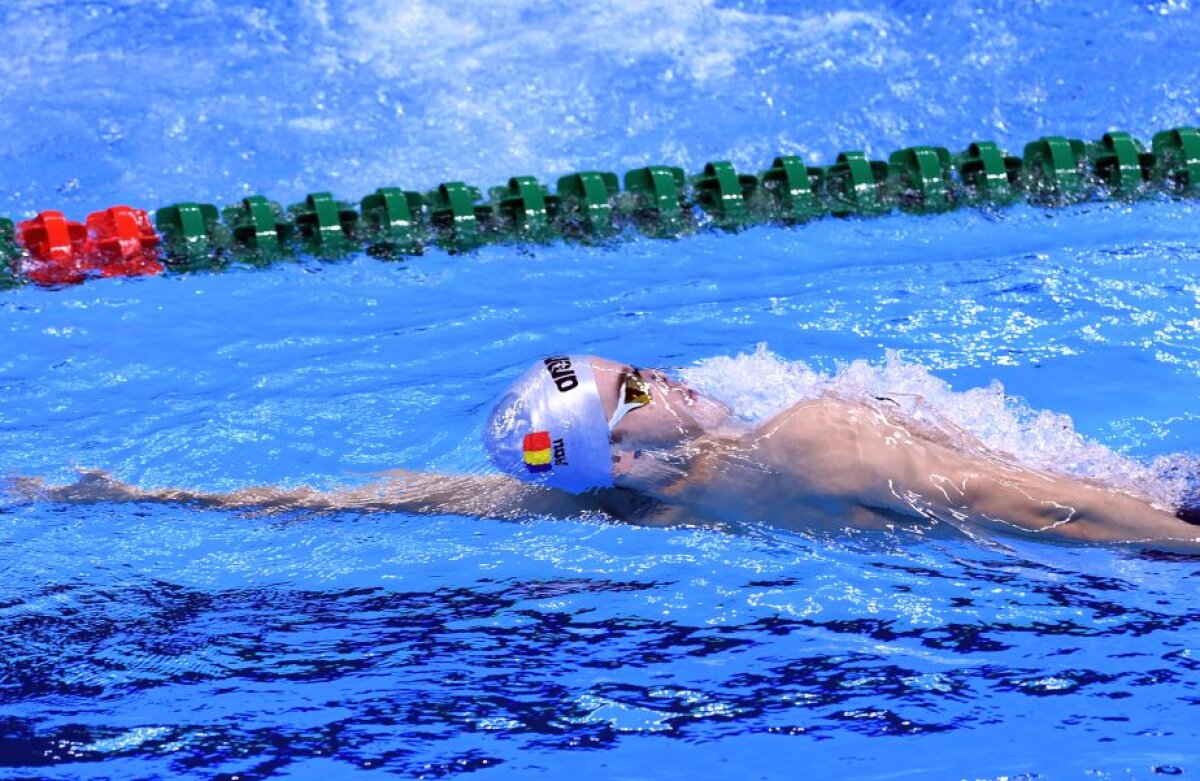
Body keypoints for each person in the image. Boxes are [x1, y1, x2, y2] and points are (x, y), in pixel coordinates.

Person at [10, 354, 1200, 549]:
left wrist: (140, 492)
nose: (676, 379)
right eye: (644, 390)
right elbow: (1047, 506)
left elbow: (371, 501)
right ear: (624, 455)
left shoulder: (585, 506)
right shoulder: (817, 438)